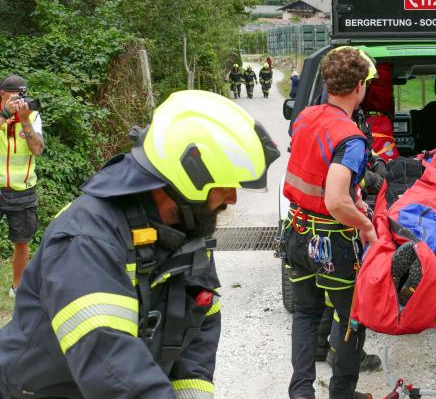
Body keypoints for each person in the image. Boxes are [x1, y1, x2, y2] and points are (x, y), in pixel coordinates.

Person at [0, 90, 279, 398]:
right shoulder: (87, 238)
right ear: (188, 176)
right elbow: (110, 364)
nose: (232, 198)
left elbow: (199, 333)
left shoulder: (185, 234)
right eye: (225, 184)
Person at [281, 46, 378, 399]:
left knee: (306, 315)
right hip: (332, 242)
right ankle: (341, 393)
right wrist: (365, 225)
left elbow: (316, 170)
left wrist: (353, 198)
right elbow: (335, 200)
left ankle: (301, 392)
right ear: (359, 87)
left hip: (296, 231)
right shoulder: (350, 137)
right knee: (352, 316)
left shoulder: (305, 117)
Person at [0, 74, 45, 298]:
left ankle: (17, 287)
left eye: (22, 97)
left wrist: (25, 121)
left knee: (22, 241)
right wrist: (5, 114)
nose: (19, 102)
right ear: (2, 95)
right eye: (14, 97)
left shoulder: (32, 115)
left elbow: (38, 150)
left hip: (23, 189)